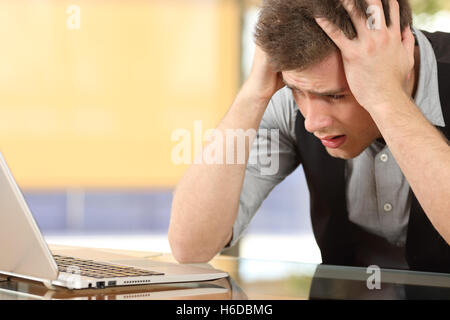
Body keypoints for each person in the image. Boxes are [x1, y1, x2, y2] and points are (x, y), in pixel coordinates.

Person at [168, 0, 450, 273]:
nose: (312, 122)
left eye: (335, 96)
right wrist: (253, 94)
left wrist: (386, 98)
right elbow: (191, 246)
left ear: (402, 60)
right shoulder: (287, 100)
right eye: (296, 90)